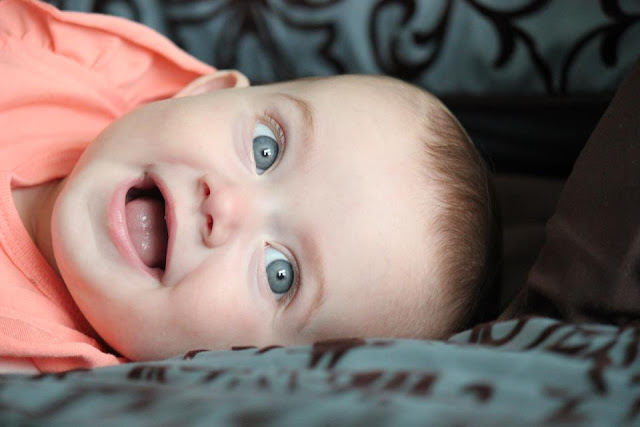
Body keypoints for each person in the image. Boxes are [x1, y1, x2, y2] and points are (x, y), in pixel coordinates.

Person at [0, 0, 498, 373]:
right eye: (267, 149)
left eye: (280, 273)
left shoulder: (40, 368)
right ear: (203, 91)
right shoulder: (59, 65)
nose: (228, 205)